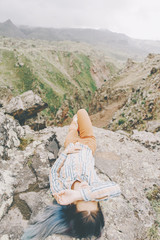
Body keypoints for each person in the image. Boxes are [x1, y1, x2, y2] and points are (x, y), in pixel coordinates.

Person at [22, 109, 121, 240]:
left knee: (73, 126)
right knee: (82, 112)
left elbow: (54, 172)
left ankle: (74, 124)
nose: (86, 187)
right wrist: (81, 194)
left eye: (81, 199)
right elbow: (116, 189)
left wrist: (65, 153)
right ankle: (76, 120)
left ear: (72, 204)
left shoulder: (62, 191)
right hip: (88, 144)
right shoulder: (95, 185)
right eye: (91, 198)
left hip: (71, 145)